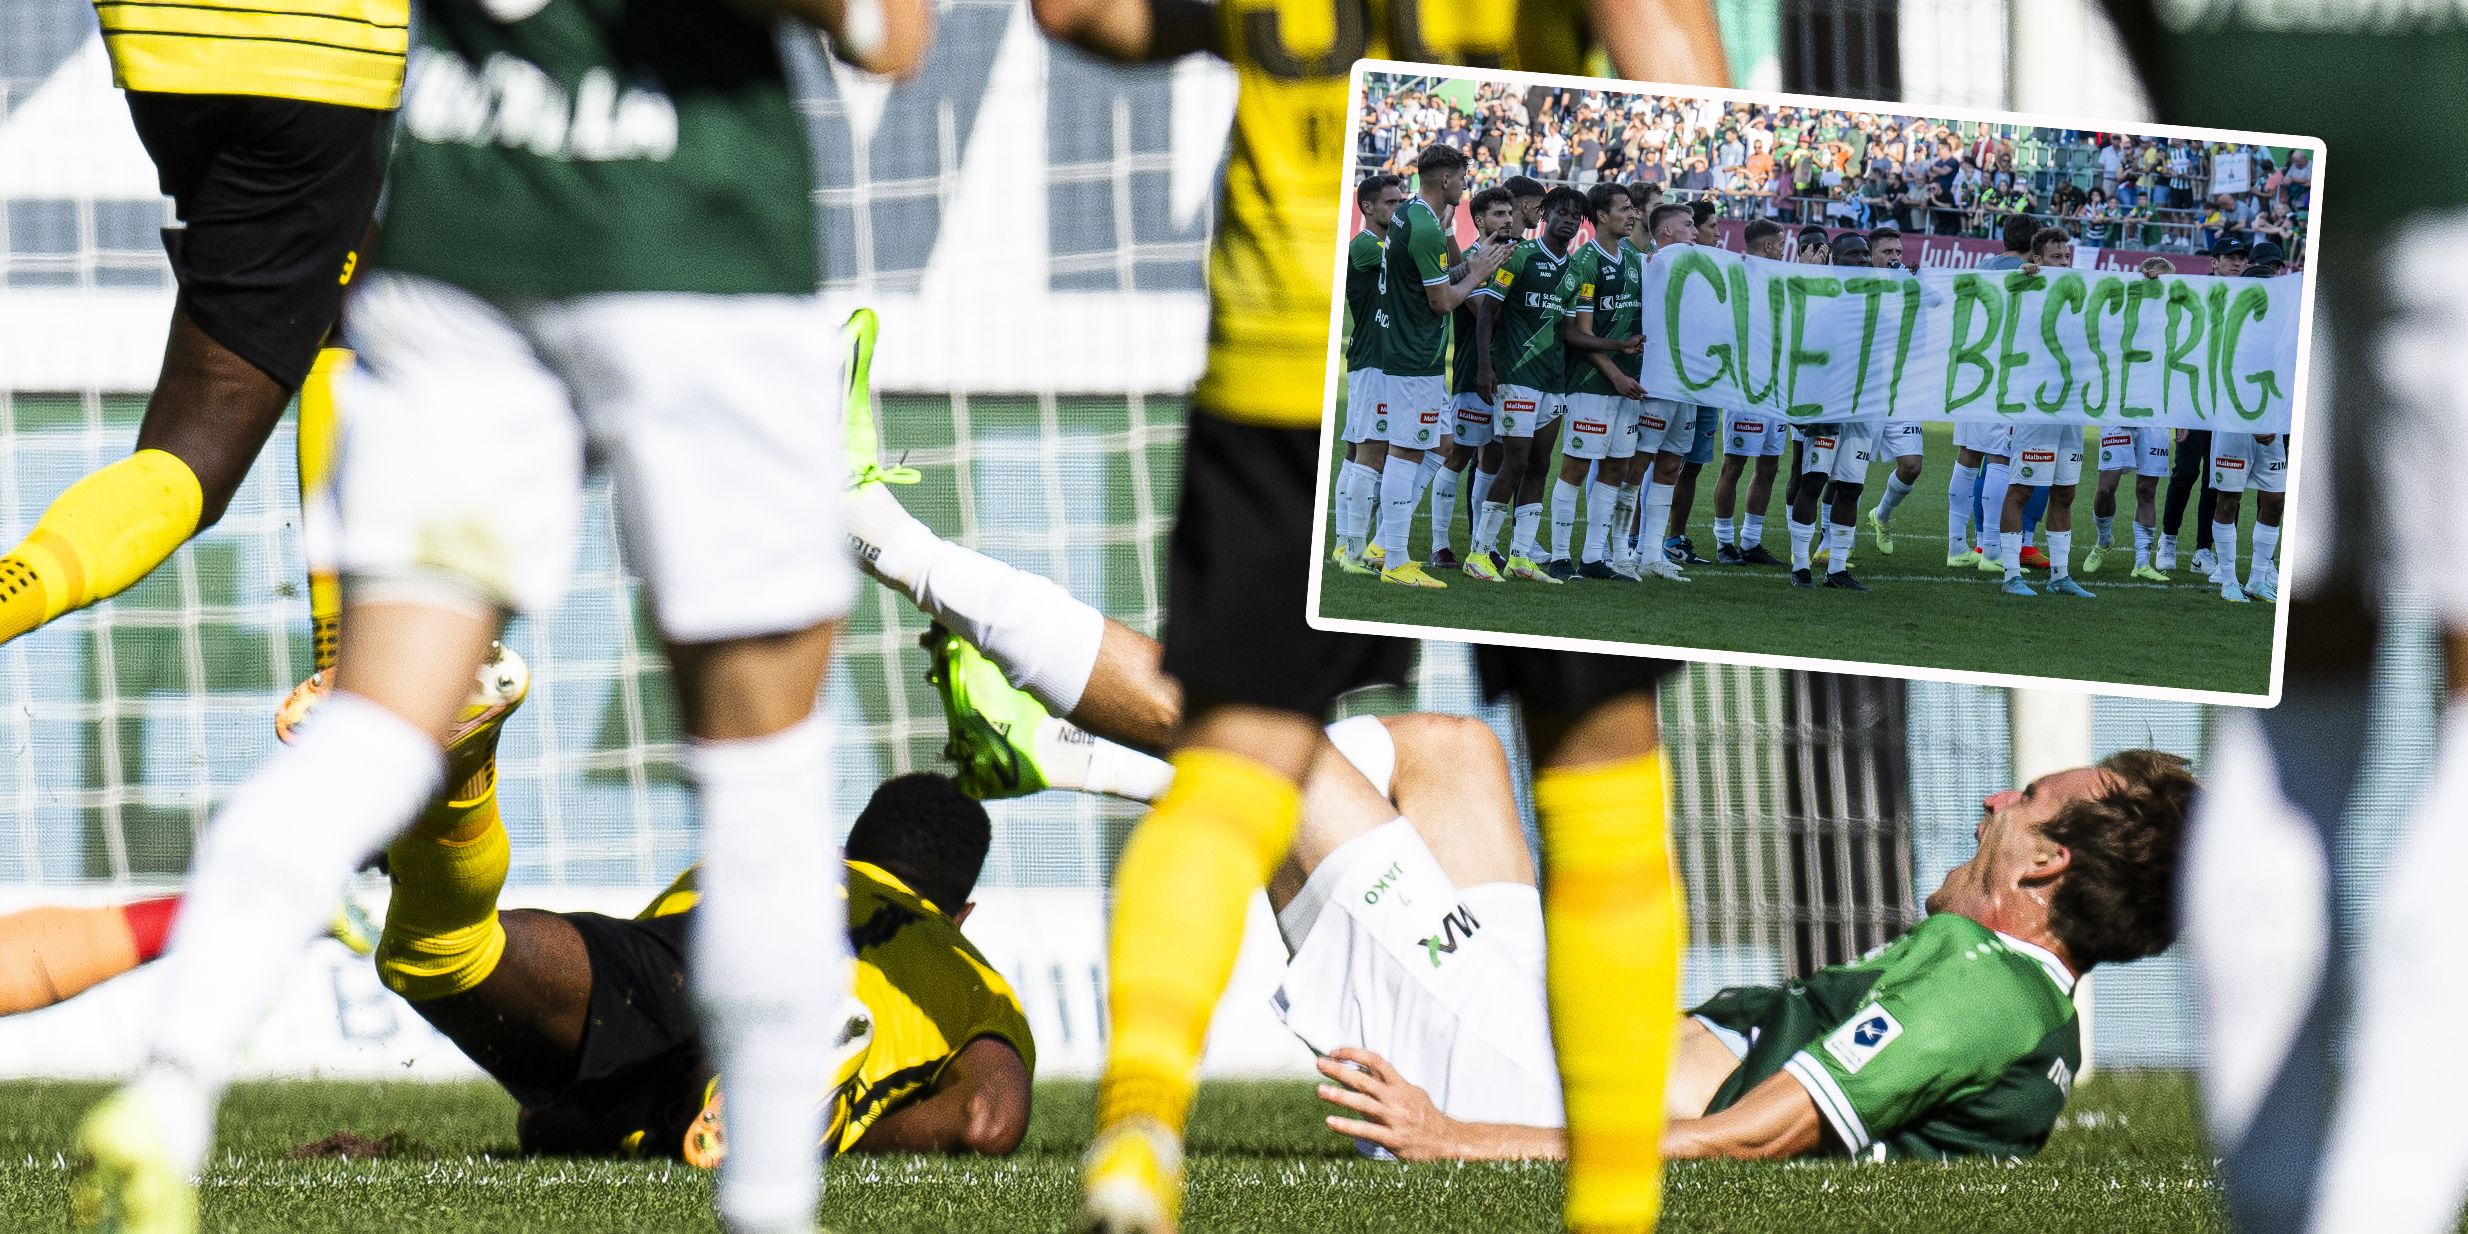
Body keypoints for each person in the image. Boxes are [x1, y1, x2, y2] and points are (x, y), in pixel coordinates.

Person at [67, 0, 935, 1220]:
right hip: (692, 242)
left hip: (463, 235)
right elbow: (884, 37)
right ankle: (768, 1206)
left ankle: (172, 1079)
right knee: (761, 782)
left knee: (372, 726)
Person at [1020, 6, 1731, 1231]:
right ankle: (1612, 1207)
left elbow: (1084, 14)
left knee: (1234, 769)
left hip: (1276, 360)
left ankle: (1138, 1131)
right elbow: (1686, 88)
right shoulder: (1463, 214)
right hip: (1427, 374)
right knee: (1601, 787)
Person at [2102, 7, 2468, 1234]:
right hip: (2446, 143)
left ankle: (2277, 1206)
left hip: (2238, 150)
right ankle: (2378, 1208)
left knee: (2275, 709)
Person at [0, 0, 407, 659]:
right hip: (312, 57)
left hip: (159, 53)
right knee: (193, 455)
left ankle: (341, 657)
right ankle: (347, 664)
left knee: (349, 282)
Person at [1366, 144, 1509, 591]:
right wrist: (1479, 274)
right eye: (1463, 178)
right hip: (1414, 357)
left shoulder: (1411, 214)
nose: (1467, 185)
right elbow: (1443, 300)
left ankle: (1381, 544)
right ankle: (1395, 559)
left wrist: (1469, 264)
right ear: (1445, 179)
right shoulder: (1426, 227)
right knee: (1407, 451)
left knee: (1443, 444)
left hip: (1410, 351)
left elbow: (1437, 276)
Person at [1467, 188, 1589, 585]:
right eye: (1562, 213)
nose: (1569, 221)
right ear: (1545, 214)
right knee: (1514, 463)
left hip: (1553, 380)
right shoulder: (1519, 255)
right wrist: (1485, 365)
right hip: (1517, 376)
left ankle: (1521, 556)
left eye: (1576, 216)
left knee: (1539, 465)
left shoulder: (1575, 271)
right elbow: (1489, 310)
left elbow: (1569, 330)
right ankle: (1479, 553)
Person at [1552, 184, 1655, 582]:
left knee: (1616, 469)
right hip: (1593, 384)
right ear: (1600, 216)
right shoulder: (1585, 263)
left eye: (1634, 209)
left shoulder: (1632, 256)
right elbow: (1577, 333)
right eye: (1625, 209)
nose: (1633, 216)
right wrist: (1616, 374)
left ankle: (1594, 558)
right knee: (1575, 468)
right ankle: (1561, 556)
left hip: (1627, 384)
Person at [1989, 232, 2097, 599]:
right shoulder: (2024, 287)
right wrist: (2020, 276)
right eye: (2055, 257)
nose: (2063, 263)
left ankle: (2060, 575)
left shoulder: (2079, 291)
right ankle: (2010, 574)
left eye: (2066, 257)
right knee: (2021, 488)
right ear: (2037, 259)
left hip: (2072, 406)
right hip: (2036, 406)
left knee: (2065, 491)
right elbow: (1994, 296)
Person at [1429, 187, 1524, 575]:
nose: (1507, 220)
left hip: (1512, 377)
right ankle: (1439, 544)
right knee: (1460, 455)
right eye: (1498, 214)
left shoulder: (1521, 259)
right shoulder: (1474, 262)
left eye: (1509, 213)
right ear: (1480, 221)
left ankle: (1480, 544)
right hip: (1475, 373)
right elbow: (1485, 309)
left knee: (1495, 457)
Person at [1785, 231, 1878, 591]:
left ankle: (1837, 568)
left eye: (1865, 254)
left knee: (1852, 487)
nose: (1861, 260)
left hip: (1863, 406)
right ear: (1835, 260)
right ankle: (1800, 566)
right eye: (1853, 254)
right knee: (1813, 481)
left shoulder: (1880, 297)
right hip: (1824, 405)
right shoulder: (1821, 296)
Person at [1332, 175, 1410, 571]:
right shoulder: (1364, 246)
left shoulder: (1383, 246)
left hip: (1380, 361)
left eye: (1402, 201)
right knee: (1371, 453)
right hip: (1374, 362)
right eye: (1392, 203)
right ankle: (1355, 550)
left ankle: (1347, 544)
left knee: (1356, 451)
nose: (1398, 208)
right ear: (1368, 208)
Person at [2158, 238, 2248, 574]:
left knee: (2219, 475)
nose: (2237, 263)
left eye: (2242, 258)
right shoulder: (2193, 293)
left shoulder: (2251, 298)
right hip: (2193, 399)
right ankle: (2167, 539)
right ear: (2215, 262)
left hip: (2227, 403)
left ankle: (2203, 550)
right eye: (2231, 258)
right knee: (2186, 471)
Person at [2085, 260, 2178, 582]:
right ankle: (2103, 540)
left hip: (2156, 414)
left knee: (2147, 490)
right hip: (2119, 410)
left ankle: (2142, 561)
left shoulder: (2178, 321)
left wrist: (2182, 415)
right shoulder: (2123, 312)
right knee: (2107, 486)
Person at [1712, 219, 1791, 568]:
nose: (1784, 248)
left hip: (1779, 387)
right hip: (1746, 388)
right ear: (1769, 247)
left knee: (1770, 466)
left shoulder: (1787, 278)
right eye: (1781, 243)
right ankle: (1724, 541)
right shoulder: (1740, 275)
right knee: (1734, 465)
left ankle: (1751, 541)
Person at [1660, 199, 1728, 568]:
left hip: (1707, 385)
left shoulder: (1721, 268)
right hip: (1670, 381)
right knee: (1658, 461)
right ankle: (1640, 538)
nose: (1718, 234)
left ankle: (1674, 538)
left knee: (1693, 465)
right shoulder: (1664, 266)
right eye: (1710, 226)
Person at [1858, 227, 1925, 554]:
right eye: (1887, 252)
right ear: (1870, 255)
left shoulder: (1910, 285)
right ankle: (1837, 543)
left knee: (1912, 465)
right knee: (1852, 470)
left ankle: (1881, 514)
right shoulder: (1857, 286)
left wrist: (1917, 286)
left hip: (1902, 390)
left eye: (1898, 252)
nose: (1896, 258)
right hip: (1864, 391)